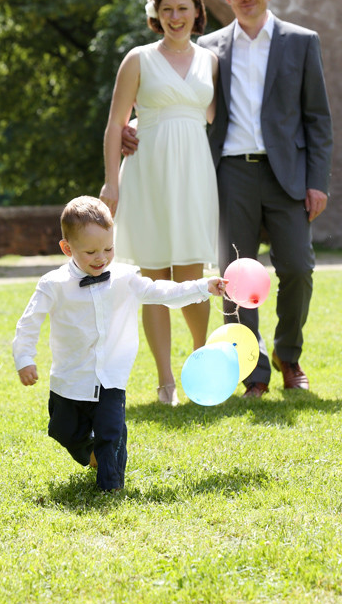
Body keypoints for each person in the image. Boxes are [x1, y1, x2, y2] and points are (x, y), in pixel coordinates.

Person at [122, 0, 333, 398]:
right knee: (235, 276)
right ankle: (251, 371)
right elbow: (179, 96)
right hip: (230, 172)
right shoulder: (212, 49)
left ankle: (287, 356)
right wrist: (135, 128)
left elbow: (317, 118)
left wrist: (318, 181)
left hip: (288, 175)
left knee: (298, 267)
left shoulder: (301, 41)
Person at [13, 196, 227, 492]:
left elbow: (161, 291)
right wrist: (25, 358)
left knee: (111, 432)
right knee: (62, 430)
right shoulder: (53, 284)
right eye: (90, 251)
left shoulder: (126, 277)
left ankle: (111, 486)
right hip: (70, 377)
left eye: (108, 248)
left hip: (112, 375)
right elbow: (29, 321)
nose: (101, 257)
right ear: (67, 248)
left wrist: (202, 287)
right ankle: (91, 455)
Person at [99, 0, 219, 407]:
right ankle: (165, 380)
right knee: (152, 278)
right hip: (147, 171)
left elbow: (209, 117)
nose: (175, 17)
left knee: (192, 275)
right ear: (156, 13)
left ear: (196, 13)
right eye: (166, 9)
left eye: (183, 8)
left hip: (195, 174)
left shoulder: (211, 62)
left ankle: (203, 366)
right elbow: (116, 124)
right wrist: (112, 181)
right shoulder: (138, 59)